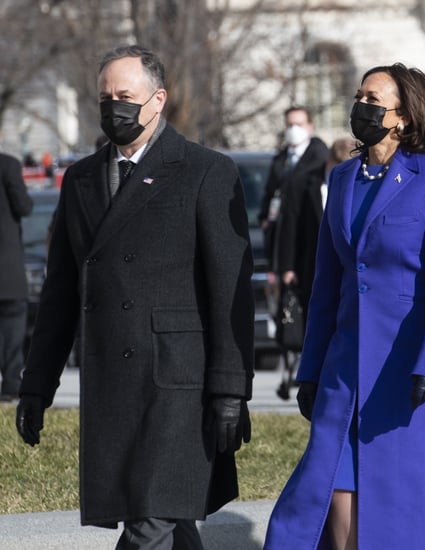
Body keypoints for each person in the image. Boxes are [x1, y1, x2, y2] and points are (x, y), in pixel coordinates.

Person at [16, 44, 254, 550]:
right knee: (167, 517)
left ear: (158, 99)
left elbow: (229, 288)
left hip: (177, 384)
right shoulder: (80, 179)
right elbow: (61, 292)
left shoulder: (204, 170)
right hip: (112, 384)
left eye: (125, 95)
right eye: (105, 97)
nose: (113, 107)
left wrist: (231, 389)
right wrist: (37, 384)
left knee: (150, 521)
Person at [264, 62, 425, 550]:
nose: (362, 107)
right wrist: (310, 370)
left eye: (374, 100)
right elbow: (325, 287)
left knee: (414, 514)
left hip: (418, 372)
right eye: (360, 97)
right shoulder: (344, 178)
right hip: (347, 374)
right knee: (331, 494)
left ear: (404, 117)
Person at [274, 138, 355, 400]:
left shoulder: (359, 182)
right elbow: (290, 227)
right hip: (310, 265)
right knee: (315, 318)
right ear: (329, 162)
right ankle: (314, 375)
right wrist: (287, 266)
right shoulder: (304, 182)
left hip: (347, 267)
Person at [258, 105, 328, 272]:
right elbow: (269, 194)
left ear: (310, 126)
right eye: (290, 125)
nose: (294, 129)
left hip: (308, 244)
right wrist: (265, 221)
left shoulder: (320, 160)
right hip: (280, 243)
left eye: (299, 124)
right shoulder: (280, 160)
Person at [0, 152, 33, 401]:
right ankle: (11, 383)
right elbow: (23, 206)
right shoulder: (8, 165)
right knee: (12, 325)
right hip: (6, 264)